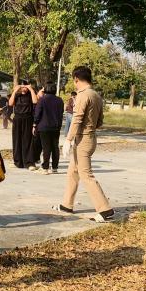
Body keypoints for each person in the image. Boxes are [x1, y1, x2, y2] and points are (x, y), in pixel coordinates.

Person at [54, 66, 115, 222]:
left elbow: (77, 119)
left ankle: (105, 209)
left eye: (74, 81)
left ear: (76, 79)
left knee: (85, 174)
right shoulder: (96, 95)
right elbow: (100, 121)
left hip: (83, 140)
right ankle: (67, 204)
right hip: (90, 137)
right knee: (72, 172)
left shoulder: (82, 95)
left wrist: (68, 139)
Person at [34, 82, 64, 174]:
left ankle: (45, 168)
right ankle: (54, 167)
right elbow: (61, 113)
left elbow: (37, 114)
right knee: (55, 147)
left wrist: (34, 124)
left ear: (45, 89)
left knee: (46, 147)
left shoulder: (42, 100)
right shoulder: (59, 100)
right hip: (56, 127)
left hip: (44, 126)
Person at [9, 80, 38, 170]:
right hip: (17, 119)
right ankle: (18, 162)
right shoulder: (17, 95)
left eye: (25, 87)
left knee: (27, 140)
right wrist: (14, 91)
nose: (23, 89)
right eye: (21, 87)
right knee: (17, 140)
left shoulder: (30, 94)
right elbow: (10, 103)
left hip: (28, 118)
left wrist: (31, 89)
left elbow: (35, 101)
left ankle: (29, 163)